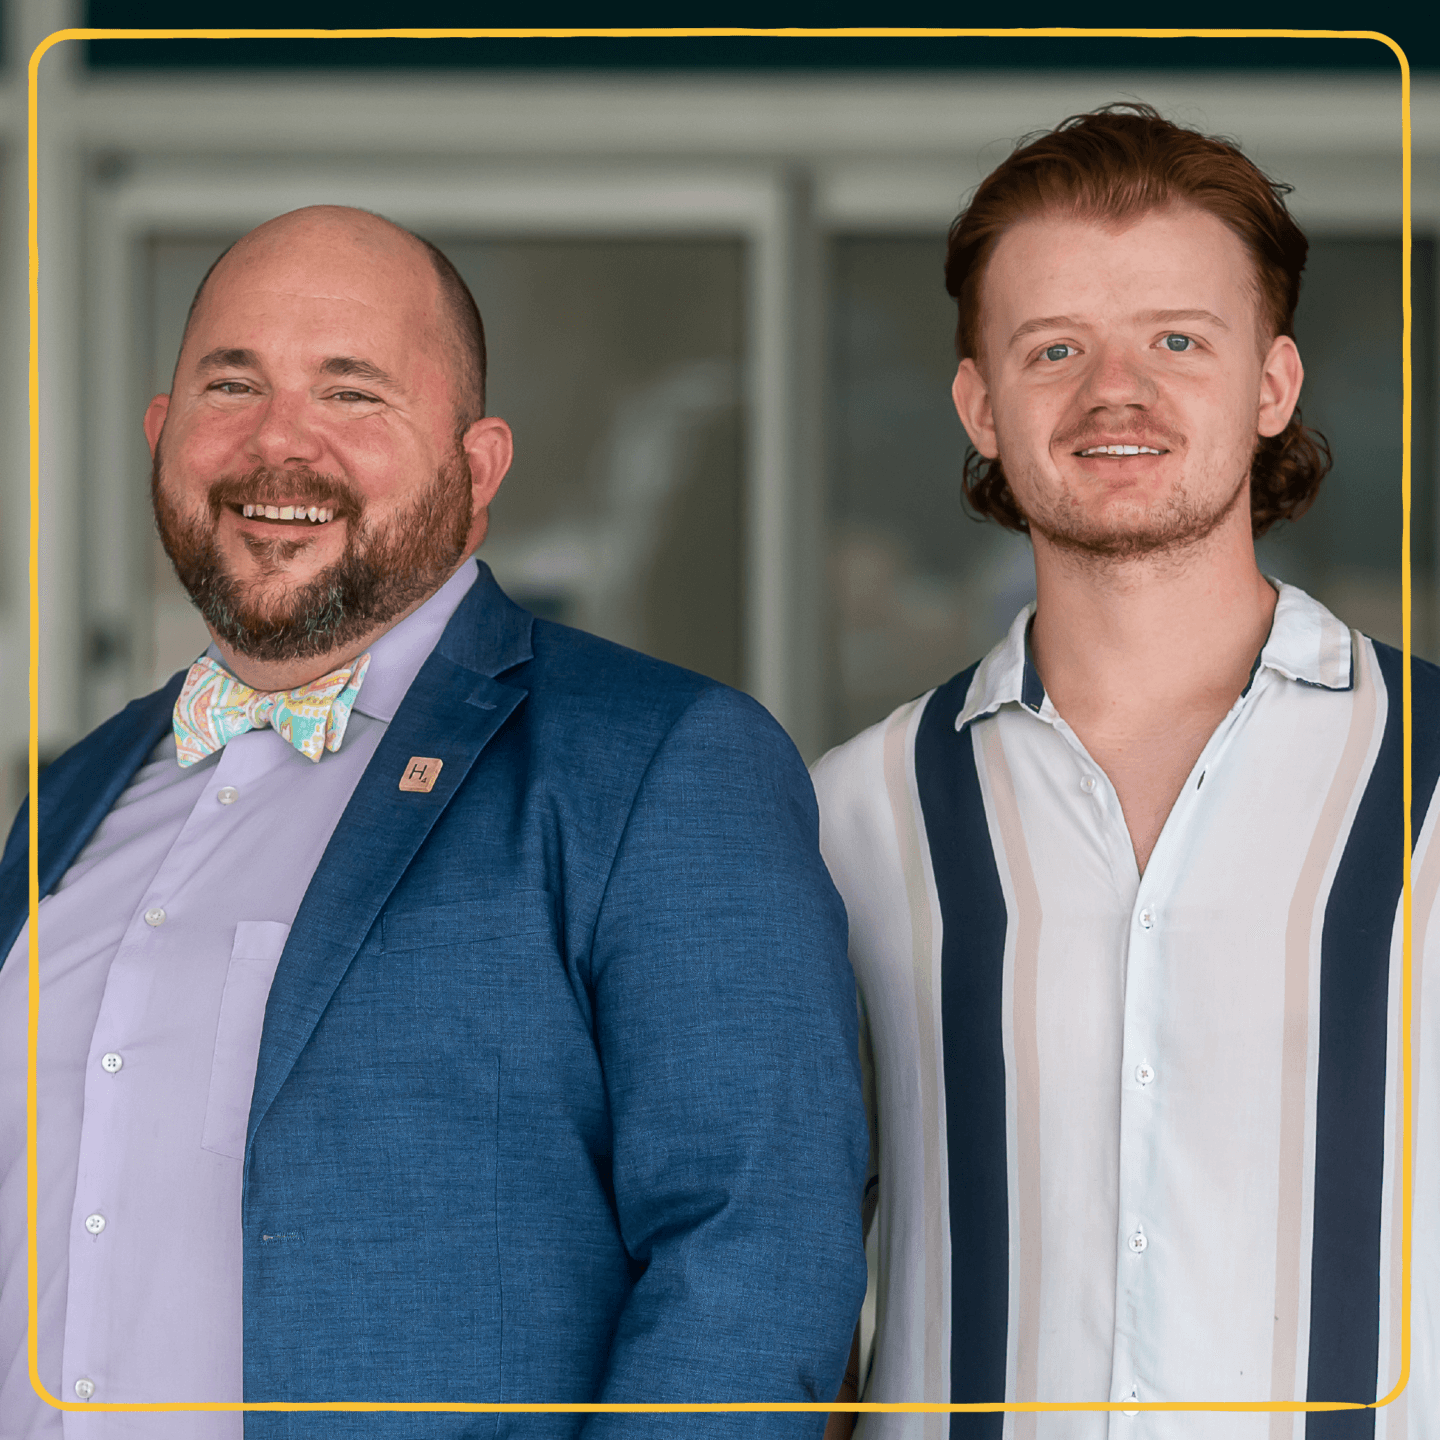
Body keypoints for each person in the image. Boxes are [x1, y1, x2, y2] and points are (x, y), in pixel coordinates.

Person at [0, 205, 868, 1437]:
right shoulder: (76, 791)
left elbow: (755, 1260)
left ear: (480, 467)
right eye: (231, 385)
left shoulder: (657, 761)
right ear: (161, 433)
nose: (278, 440)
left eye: (352, 393)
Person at [812, 104, 1439, 1437]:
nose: (1115, 393)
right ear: (981, 406)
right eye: (1055, 348)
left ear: (1273, 385)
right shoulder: (848, 815)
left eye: (1177, 340)